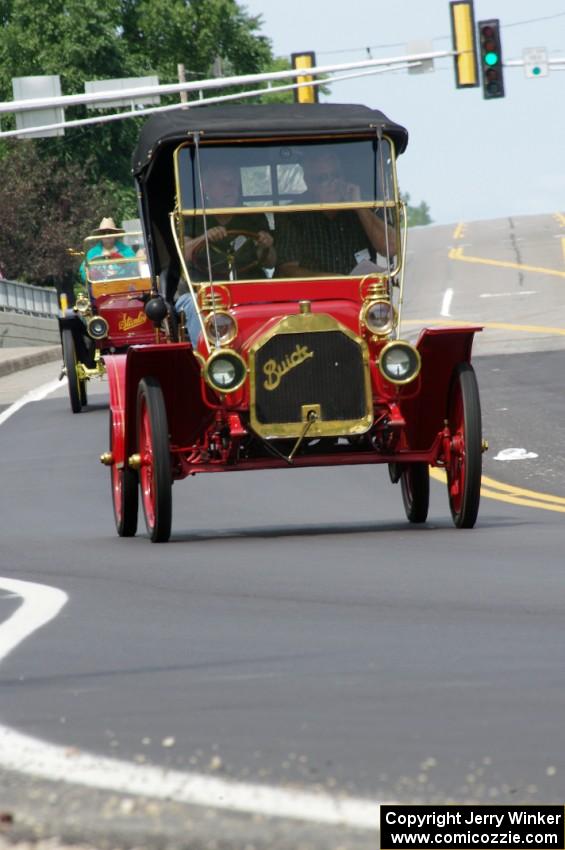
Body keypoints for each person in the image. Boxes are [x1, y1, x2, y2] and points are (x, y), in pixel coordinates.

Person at [176, 163, 275, 344]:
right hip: (205, 292)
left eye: (233, 183)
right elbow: (184, 255)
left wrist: (265, 245)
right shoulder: (193, 215)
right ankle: (211, 359)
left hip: (249, 288)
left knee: (274, 298)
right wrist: (204, 238)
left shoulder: (252, 215)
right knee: (192, 304)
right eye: (224, 183)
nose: (231, 188)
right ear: (207, 188)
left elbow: (270, 263)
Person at [276, 150, 396, 278]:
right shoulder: (292, 213)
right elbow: (287, 269)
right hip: (313, 295)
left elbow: (391, 248)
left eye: (336, 175)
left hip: (362, 292)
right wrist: (334, 280)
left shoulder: (362, 202)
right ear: (308, 183)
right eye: (323, 179)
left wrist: (359, 207)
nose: (333, 183)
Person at [79, 218, 136, 283]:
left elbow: (135, 265)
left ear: (115, 234)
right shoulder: (92, 253)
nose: (107, 235)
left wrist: (121, 260)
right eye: (104, 232)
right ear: (100, 235)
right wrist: (90, 274)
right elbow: (83, 270)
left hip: (123, 284)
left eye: (110, 232)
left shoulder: (126, 250)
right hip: (101, 286)